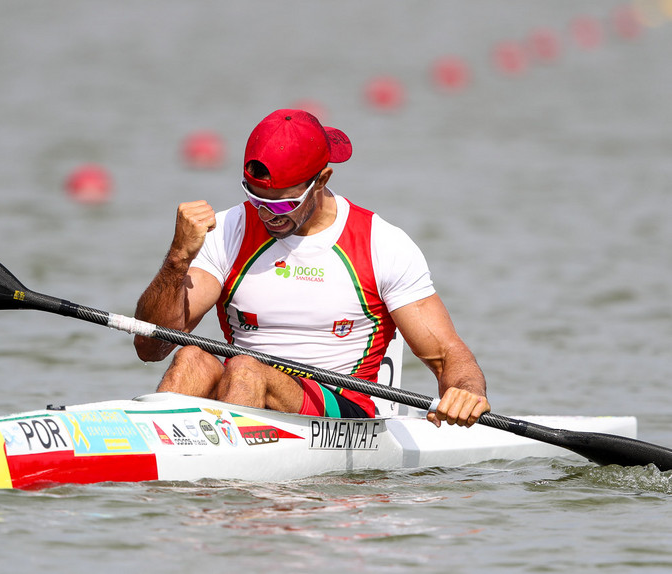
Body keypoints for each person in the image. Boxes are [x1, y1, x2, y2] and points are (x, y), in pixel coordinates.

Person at [134, 109, 490, 427]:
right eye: (255, 198)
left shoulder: (381, 243)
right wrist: (178, 257)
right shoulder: (228, 231)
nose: (266, 214)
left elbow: (447, 355)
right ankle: (164, 487)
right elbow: (150, 349)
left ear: (322, 180)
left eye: (285, 202)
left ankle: (229, 493)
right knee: (191, 358)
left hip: (342, 410)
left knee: (245, 369)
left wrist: (465, 393)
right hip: (242, 391)